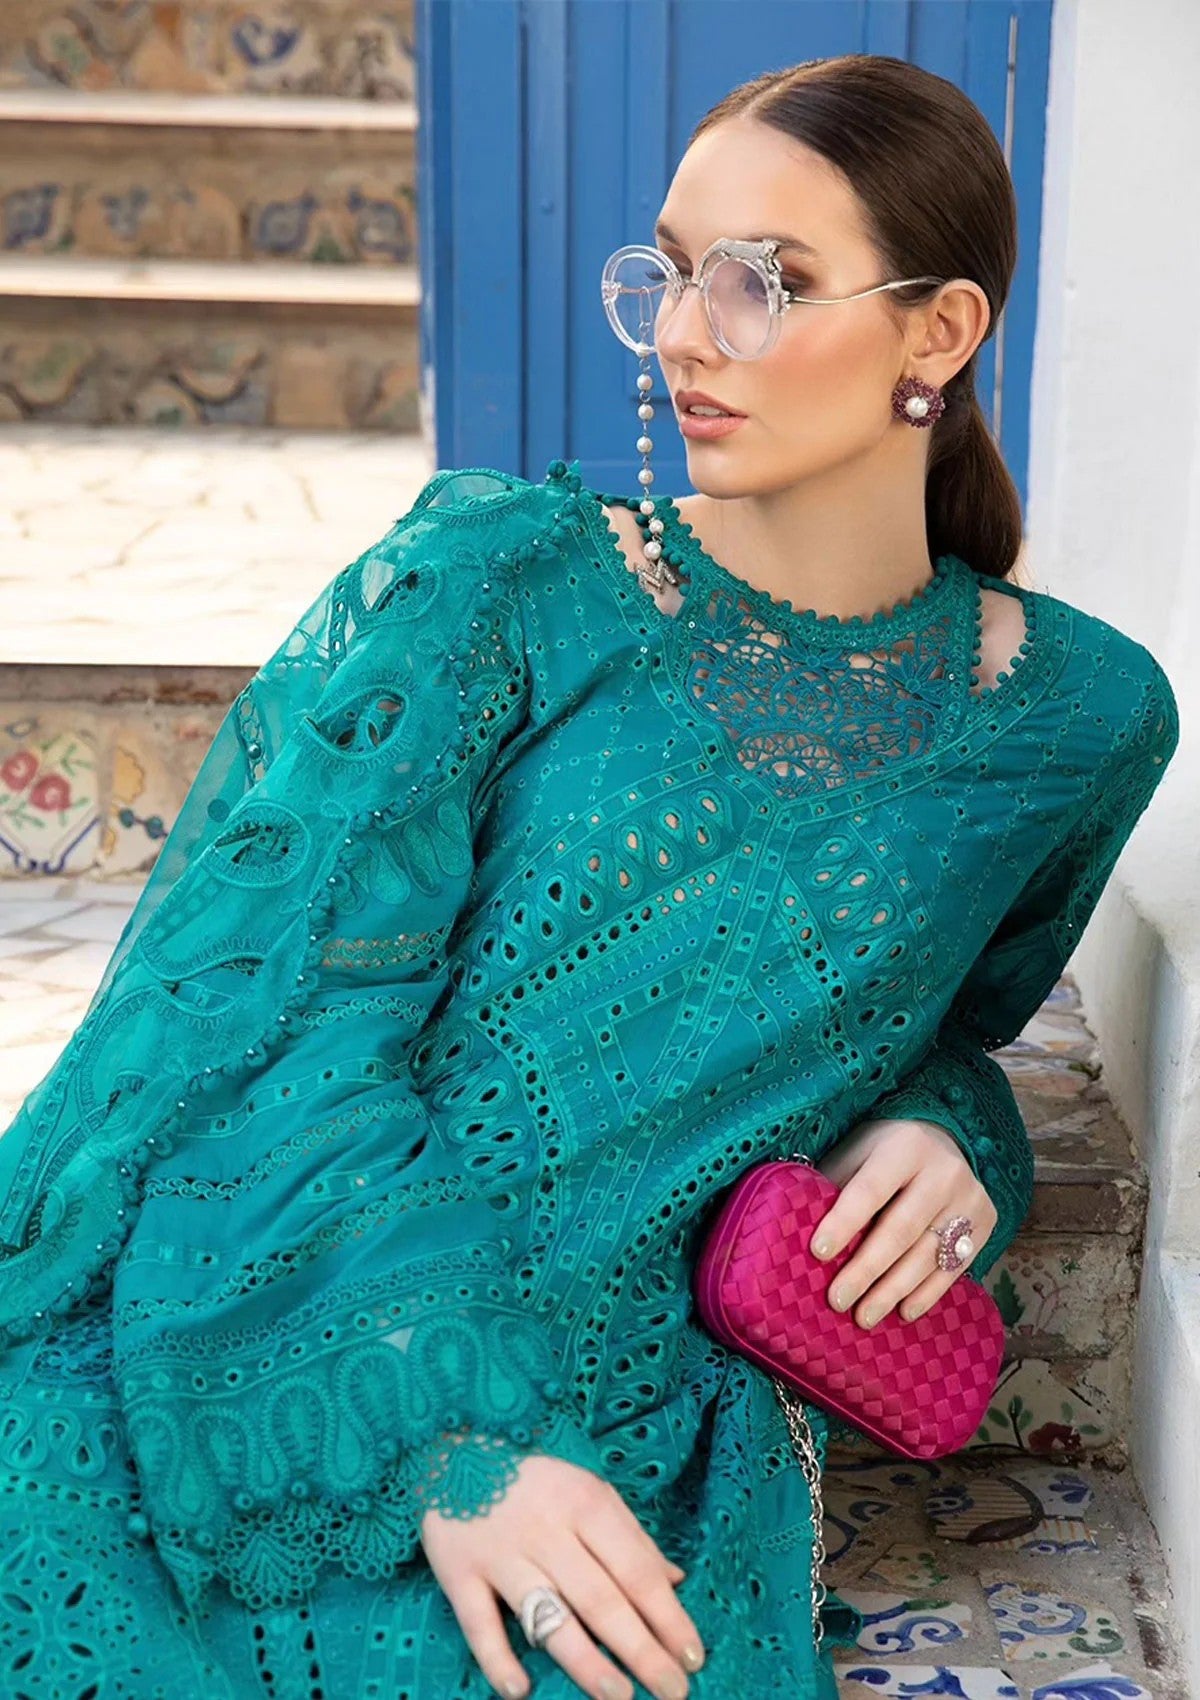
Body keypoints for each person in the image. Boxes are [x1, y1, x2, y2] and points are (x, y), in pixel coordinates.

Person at [0, 51, 1179, 1700]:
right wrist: (453, 1432)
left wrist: (949, 1127)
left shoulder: (1075, 717)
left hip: (635, 1413)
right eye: (675, 271)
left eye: (765, 282)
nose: (687, 332)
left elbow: (953, 1020)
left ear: (940, 333)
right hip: (295, 1314)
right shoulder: (502, 584)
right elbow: (277, 1021)